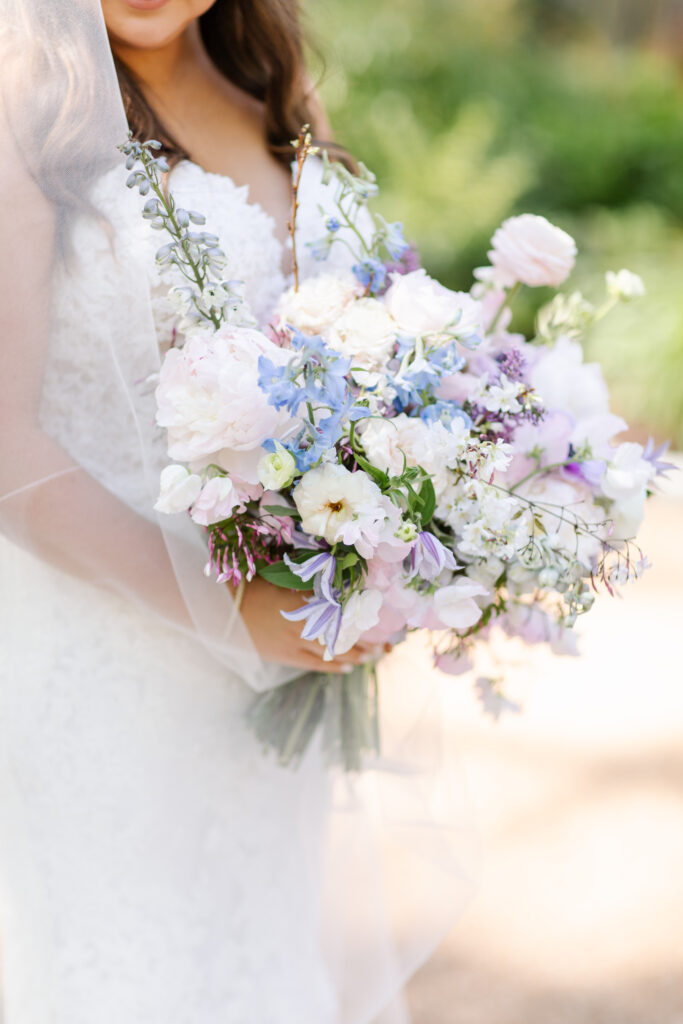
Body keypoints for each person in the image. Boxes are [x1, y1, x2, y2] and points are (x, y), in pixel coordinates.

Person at [0, 2, 475, 1021]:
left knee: (253, 956)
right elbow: (5, 449)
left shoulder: (274, 92)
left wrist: (373, 553)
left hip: (263, 687)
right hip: (100, 667)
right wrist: (232, 608)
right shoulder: (22, 100)